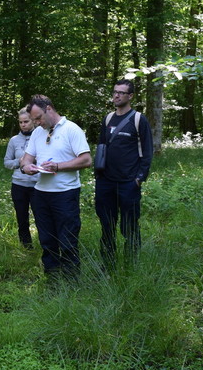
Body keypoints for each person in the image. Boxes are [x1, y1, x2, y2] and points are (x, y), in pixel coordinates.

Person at [20, 95, 91, 284]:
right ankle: (52, 279)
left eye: (38, 118)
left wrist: (58, 167)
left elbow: (86, 160)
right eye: (33, 119)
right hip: (41, 193)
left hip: (65, 194)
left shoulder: (71, 129)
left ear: (49, 109)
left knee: (67, 239)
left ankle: (71, 281)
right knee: (47, 239)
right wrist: (26, 167)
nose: (36, 123)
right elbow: (26, 159)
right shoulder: (37, 133)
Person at [94, 80, 153, 270]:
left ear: (130, 96)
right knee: (107, 225)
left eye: (121, 93)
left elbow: (147, 152)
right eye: (114, 92)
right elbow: (101, 147)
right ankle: (108, 263)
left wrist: (139, 179)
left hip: (129, 183)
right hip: (106, 182)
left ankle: (131, 264)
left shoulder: (138, 119)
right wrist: (98, 176)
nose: (116, 96)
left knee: (129, 226)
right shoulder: (108, 119)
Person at [3, 108, 39, 249]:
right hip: (19, 184)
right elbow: (7, 162)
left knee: (41, 217)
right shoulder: (14, 140)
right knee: (22, 218)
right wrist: (20, 162)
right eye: (20, 122)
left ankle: (45, 244)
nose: (23, 124)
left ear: (33, 121)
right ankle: (26, 247)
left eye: (26, 121)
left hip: (38, 184)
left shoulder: (41, 136)